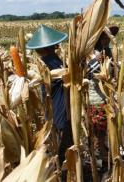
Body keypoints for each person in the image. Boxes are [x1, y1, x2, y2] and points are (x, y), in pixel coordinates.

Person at [26, 25, 73, 166]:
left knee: (57, 146)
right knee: (62, 148)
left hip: (52, 110)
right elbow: (69, 77)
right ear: (51, 47)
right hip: (60, 111)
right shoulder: (52, 61)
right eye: (55, 44)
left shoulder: (45, 62)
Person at [86, 25, 119, 171]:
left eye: (108, 37)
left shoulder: (109, 52)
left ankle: (107, 156)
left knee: (106, 130)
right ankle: (101, 159)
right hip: (96, 99)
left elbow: (114, 73)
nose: (107, 40)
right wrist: (97, 61)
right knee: (99, 131)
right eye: (104, 37)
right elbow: (85, 74)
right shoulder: (91, 54)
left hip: (109, 98)